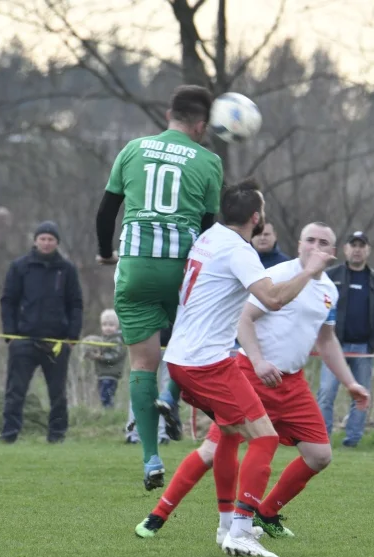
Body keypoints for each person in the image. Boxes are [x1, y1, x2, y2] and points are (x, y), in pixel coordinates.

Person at [134, 222, 369, 545]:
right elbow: (244, 319)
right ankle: (158, 515)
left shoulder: (329, 290)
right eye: (310, 240)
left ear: (332, 252)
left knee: (319, 456)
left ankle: (266, 511)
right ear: (299, 243)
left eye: (324, 243)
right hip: (251, 375)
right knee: (213, 450)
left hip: (292, 384)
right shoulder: (277, 276)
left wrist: (351, 383)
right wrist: (258, 361)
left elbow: (327, 341)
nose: (316, 246)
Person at [160, 179, 333, 557]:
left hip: (182, 357)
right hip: (207, 362)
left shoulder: (210, 237)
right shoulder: (239, 251)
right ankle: (240, 529)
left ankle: (226, 526)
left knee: (229, 434)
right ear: (256, 218)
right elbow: (271, 299)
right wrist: (309, 271)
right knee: (265, 438)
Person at [95, 85, 222, 489]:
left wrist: (104, 253)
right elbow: (207, 228)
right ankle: (171, 396)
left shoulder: (133, 149)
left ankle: (150, 457)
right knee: (192, 345)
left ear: (170, 114)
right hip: (181, 272)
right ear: (201, 125)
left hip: (135, 267)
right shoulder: (208, 160)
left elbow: (106, 211)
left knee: (141, 364)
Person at [0, 221, 84, 444]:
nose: (46, 243)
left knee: (58, 393)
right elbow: (8, 301)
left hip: (57, 342)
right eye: (43, 239)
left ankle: (57, 435)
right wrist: (9, 335)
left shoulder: (67, 270)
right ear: (35, 241)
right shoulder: (19, 267)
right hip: (24, 340)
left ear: (57, 242)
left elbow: (76, 304)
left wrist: (72, 337)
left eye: (51, 239)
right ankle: (9, 433)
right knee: (15, 391)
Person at [317, 231, 374, 447]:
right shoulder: (330, 276)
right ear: (345, 249)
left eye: (362, 245)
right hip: (333, 346)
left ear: (368, 250)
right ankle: (322, 438)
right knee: (326, 394)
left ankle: (353, 440)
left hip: (364, 348)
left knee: (360, 397)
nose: (357, 249)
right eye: (353, 245)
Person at [81, 309, 127, 409]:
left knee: (107, 397)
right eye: (105, 325)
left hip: (111, 374)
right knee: (103, 396)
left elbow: (115, 356)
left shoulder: (117, 339)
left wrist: (100, 357)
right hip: (102, 374)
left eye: (111, 325)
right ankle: (107, 413)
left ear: (117, 326)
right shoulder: (103, 339)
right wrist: (90, 354)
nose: (107, 328)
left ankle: (109, 413)